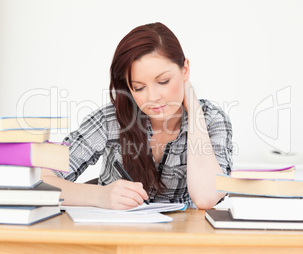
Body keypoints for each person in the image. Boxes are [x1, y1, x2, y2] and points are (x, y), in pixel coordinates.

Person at [41, 22, 233, 210]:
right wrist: (100, 195)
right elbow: (42, 179)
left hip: (181, 239)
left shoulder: (212, 120)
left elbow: (206, 197)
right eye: (139, 88)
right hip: (117, 238)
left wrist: (192, 103)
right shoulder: (110, 119)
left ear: (185, 70)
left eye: (164, 81)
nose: (152, 98)